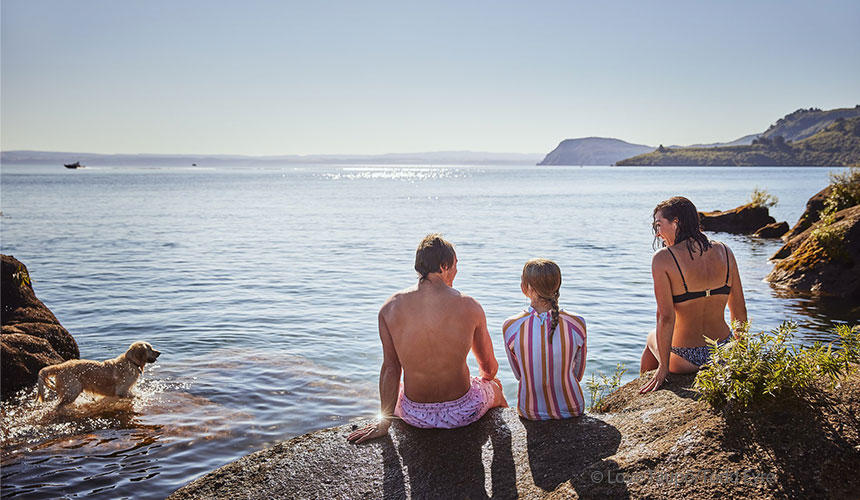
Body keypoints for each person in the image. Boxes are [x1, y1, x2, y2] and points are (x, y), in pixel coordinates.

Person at [348, 234, 507, 443]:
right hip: (462, 412)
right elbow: (489, 369)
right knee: (495, 385)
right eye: (455, 265)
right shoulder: (470, 306)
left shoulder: (389, 308)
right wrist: (486, 380)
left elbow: (390, 369)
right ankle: (508, 434)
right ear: (443, 266)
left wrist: (384, 422)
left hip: (414, 414)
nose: (457, 271)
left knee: (402, 388)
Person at [640, 196, 748, 393]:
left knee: (650, 337)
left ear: (676, 222)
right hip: (724, 352)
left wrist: (664, 367)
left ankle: (644, 394)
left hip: (684, 359)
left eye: (659, 225)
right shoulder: (725, 251)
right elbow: (739, 310)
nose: (657, 234)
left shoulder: (663, 258)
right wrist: (742, 353)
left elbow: (665, 317)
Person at [502, 259, 587, 420]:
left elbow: (519, 375)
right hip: (572, 407)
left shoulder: (511, 326)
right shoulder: (577, 323)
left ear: (526, 288)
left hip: (530, 410)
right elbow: (578, 374)